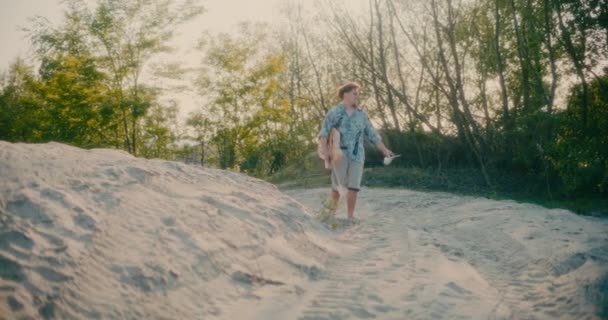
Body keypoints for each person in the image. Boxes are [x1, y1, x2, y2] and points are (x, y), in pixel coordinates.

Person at [318, 82, 394, 220]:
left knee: (354, 186)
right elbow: (324, 134)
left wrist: (384, 150)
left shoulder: (362, 115)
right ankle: (331, 215)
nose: (357, 96)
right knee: (337, 186)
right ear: (345, 94)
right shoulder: (334, 113)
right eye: (355, 93)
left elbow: (373, 135)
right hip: (338, 154)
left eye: (357, 94)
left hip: (357, 155)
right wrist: (325, 153)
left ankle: (350, 216)